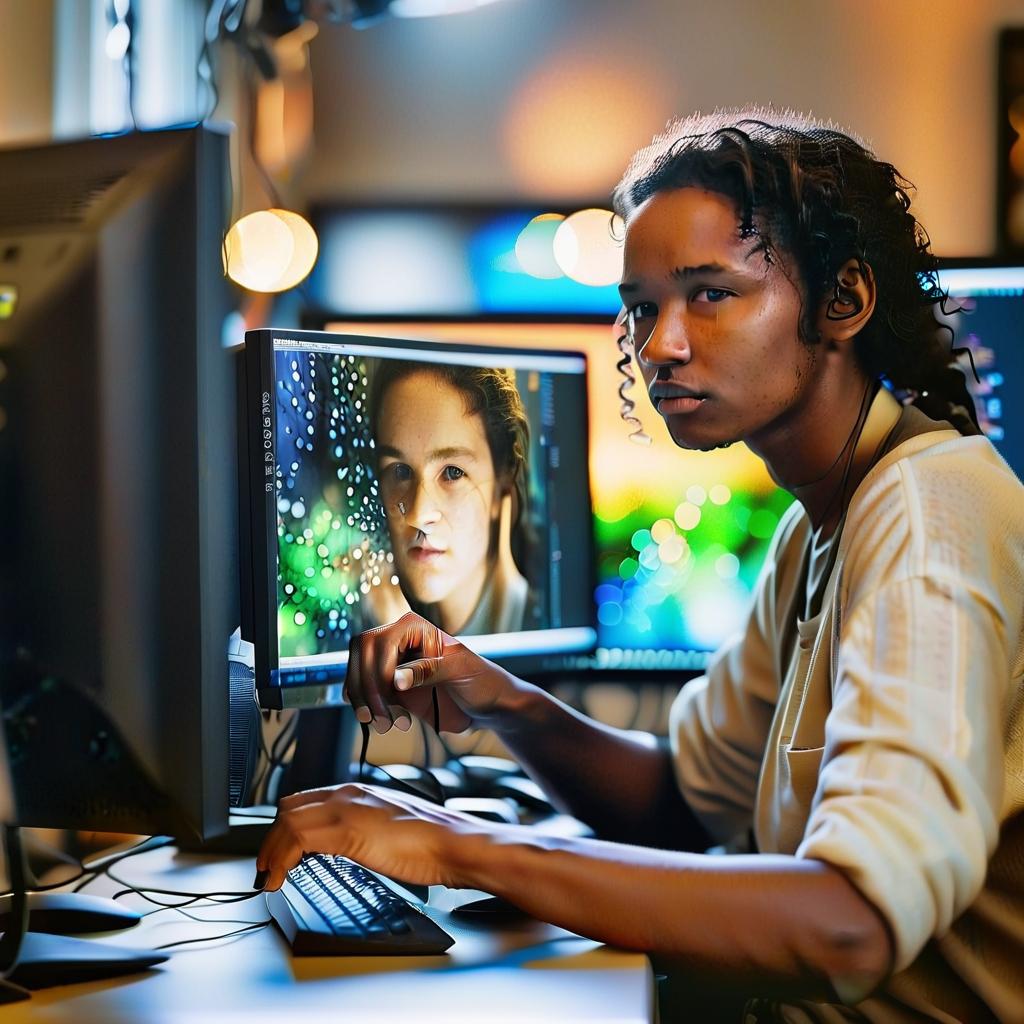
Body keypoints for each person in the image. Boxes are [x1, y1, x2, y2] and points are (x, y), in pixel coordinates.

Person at [256, 109, 1024, 1022]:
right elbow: (683, 805)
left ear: (843, 302)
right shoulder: (822, 517)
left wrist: (457, 846)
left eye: (710, 294)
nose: (659, 344)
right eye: (643, 307)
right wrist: (503, 699)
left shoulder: (926, 521)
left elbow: (850, 920)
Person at [368, 360, 535, 639]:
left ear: (504, 478)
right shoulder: (372, 615)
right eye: (400, 471)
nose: (418, 514)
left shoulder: (540, 635)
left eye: (453, 472)